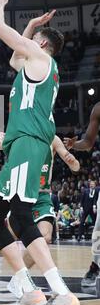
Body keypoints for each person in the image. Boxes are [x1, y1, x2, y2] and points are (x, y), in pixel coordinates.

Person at [0, 0, 81, 305]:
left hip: (28, 143)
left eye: (33, 40)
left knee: (22, 217)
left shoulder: (40, 59)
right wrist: (31, 27)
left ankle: (62, 294)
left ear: (41, 46)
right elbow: (14, 58)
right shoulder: (37, 66)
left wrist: (1, 4)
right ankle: (29, 290)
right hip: (21, 146)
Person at [0, 132, 80, 300]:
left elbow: (71, 161)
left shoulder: (52, 138)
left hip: (41, 196)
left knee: (46, 236)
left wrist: (73, 162)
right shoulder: (19, 133)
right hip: (21, 191)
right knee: (10, 235)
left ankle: (17, 280)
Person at [64, 102, 100, 286]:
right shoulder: (98, 109)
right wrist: (73, 145)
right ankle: (96, 266)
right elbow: (87, 142)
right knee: (98, 230)